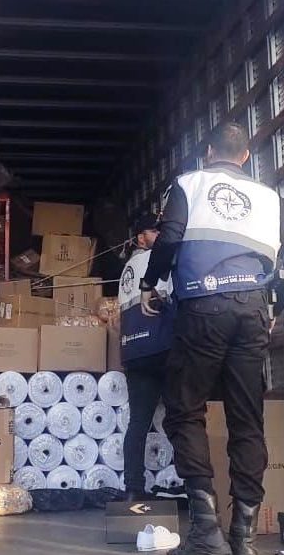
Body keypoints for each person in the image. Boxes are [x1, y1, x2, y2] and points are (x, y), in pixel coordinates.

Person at [139, 121, 284, 555]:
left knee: (185, 409)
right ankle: (243, 538)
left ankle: (206, 532)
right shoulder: (270, 197)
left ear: (208, 152)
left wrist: (149, 282)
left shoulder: (189, 184)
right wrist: (273, 307)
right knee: (246, 419)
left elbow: (169, 238)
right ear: (246, 156)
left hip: (202, 307)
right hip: (252, 312)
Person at [117, 213, 176, 501]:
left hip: (133, 352)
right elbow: (171, 298)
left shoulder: (126, 270)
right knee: (183, 417)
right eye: (155, 231)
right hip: (160, 347)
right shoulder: (157, 260)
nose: (160, 236)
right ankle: (189, 485)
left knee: (138, 423)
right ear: (141, 238)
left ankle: (133, 489)